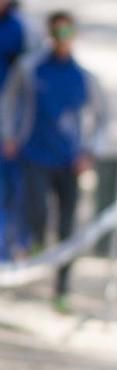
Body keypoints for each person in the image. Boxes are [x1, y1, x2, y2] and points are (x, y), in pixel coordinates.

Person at [1, 10, 108, 312]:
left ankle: (62, 288)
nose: (62, 40)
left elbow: (101, 120)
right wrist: (9, 135)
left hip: (69, 161)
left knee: (67, 227)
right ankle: (34, 252)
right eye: (57, 34)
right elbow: (10, 102)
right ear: (50, 35)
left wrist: (90, 152)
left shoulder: (84, 78)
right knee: (37, 213)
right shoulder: (31, 69)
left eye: (67, 34)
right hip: (35, 156)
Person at [0, 0, 30, 262]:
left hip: (8, 125)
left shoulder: (19, 29)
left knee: (11, 187)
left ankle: (11, 248)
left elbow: (24, 85)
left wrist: (14, 130)